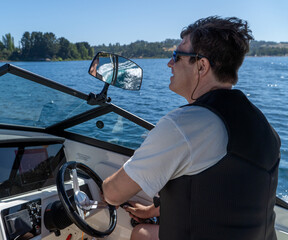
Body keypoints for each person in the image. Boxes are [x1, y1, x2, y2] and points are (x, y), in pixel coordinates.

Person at [102, 16, 281, 240]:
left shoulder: (183, 125)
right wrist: (151, 211)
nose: (169, 63)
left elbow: (113, 194)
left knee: (139, 234)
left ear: (201, 66)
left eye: (177, 56)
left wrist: (103, 187)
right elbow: (220, 190)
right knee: (143, 232)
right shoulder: (263, 126)